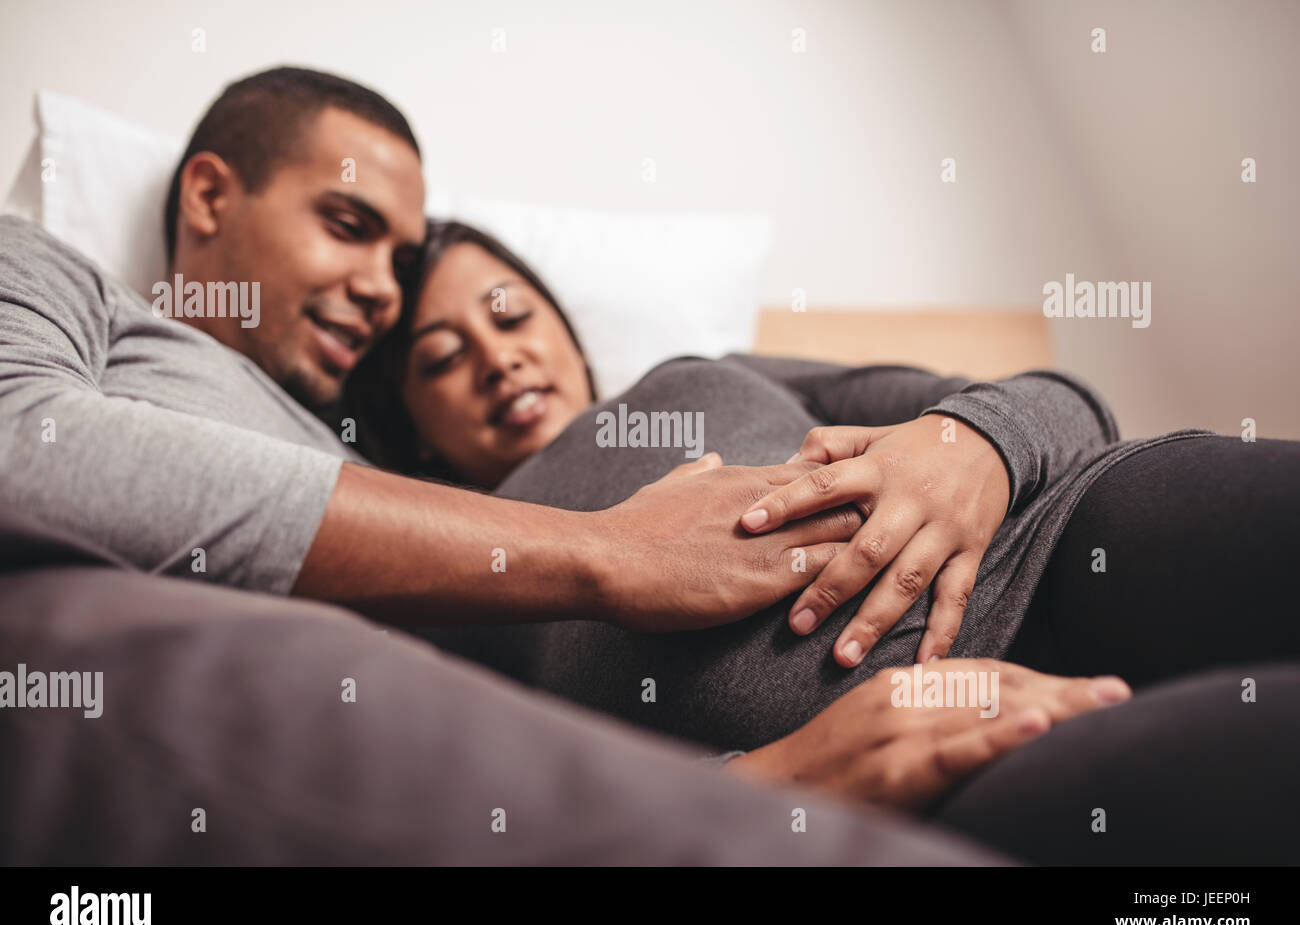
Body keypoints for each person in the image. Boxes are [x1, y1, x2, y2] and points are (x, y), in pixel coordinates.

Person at [0, 65, 1131, 863]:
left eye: (400, 259)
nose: (384, 289)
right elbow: (23, 442)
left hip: (1046, 554)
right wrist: (605, 558)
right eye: (346, 223)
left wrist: (977, 438)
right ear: (206, 194)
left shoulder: (424, 500)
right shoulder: (62, 285)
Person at [340, 218, 1300, 863]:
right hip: (909, 754)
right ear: (418, 428)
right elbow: (529, 795)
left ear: (562, 323)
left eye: (509, 315)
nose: (497, 356)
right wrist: (750, 786)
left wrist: (977, 444)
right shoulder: (461, 567)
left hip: (1066, 540)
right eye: (442, 358)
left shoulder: (705, 374)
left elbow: (1070, 405)